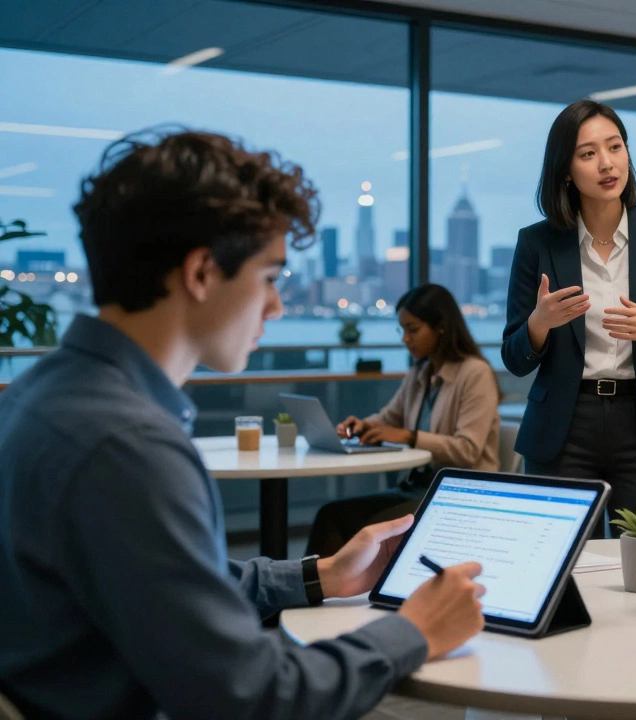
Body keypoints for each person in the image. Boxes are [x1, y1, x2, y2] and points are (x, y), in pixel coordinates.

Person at [0, 130, 485, 720]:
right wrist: (413, 632)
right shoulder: (129, 447)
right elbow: (252, 696)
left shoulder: (38, 396)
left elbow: (175, 583)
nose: (277, 307)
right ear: (202, 273)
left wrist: (325, 573)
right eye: (272, 276)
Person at [502, 99, 636, 528]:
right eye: (588, 154)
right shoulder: (537, 243)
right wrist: (539, 324)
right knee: (560, 563)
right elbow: (513, 358)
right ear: (565, 169)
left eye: (615, 147)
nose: (606, 164)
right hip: (564, 425)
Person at [306, 282, 501, 556]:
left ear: (441, 327)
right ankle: (317, 591)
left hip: (457, 494)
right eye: (403, 330)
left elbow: (468, 451)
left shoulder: (474, 373)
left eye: (413, 329)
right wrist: (365, 425)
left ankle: (317, 592)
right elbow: (389, 419)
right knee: (332, 514)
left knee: (342, 520)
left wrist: (410, 437)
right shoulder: (420, 374)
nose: (406, 339)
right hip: (417, 487)